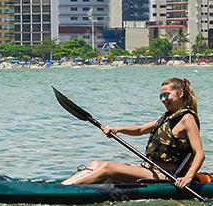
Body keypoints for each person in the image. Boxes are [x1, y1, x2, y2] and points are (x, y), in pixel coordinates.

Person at [62, 78, 205, 188]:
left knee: (106, 168)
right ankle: (62, 186)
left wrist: (188, 178)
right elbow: (141, 129)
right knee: (95, 163)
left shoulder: (187, 118)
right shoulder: (168, 116)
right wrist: (116, 129)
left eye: (166, 95)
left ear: (180, 93)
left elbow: (199, 154)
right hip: (148, 168)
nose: (163, 100)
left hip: (165, 176)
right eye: (161, 96)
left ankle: (62, 190)